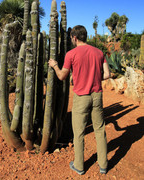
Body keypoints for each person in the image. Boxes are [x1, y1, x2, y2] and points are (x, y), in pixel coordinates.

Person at [48, 25, 110, 175]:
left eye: (71, 38)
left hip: (81, 97)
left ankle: (79, 166)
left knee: (79, 132)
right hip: (97, 96)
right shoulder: (99, 52)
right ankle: (103, 165)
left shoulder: (71, 54)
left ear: (75, 38)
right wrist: (94, 78)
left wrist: (55, 66)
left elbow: (62, 76)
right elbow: (107, 74)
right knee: (100, 130)